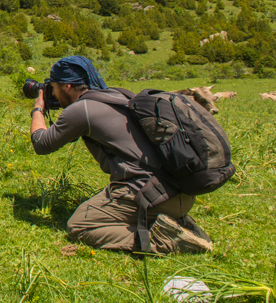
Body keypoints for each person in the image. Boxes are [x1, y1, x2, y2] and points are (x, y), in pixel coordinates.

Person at [29, 55, 212, 254]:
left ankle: (168, 242)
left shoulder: (82, 109)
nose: (53, 94)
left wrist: (38, 109)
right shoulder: (118, 95)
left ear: (68, 87)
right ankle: (179, 223)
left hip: (151, 196)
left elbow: (42, 143)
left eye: (53, 87)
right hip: (181, 191)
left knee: (79, 225)